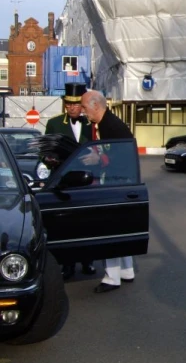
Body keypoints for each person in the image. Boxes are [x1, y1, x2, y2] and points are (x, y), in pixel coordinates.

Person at [80, 89, 137, 294]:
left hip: (116, 185)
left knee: (109, 230)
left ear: (96, 105)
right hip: (122, 185)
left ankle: (112, 277)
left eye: (85, 107)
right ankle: (126, 270)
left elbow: (121, 157)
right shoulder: (107, 123)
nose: (84, 111)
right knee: (120, 228)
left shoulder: (110, 126)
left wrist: (99, 160)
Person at [45, 82, 97, 281]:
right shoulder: (54, 123)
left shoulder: (91, 123)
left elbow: (102, 149)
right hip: (63, 182)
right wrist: (48, 159)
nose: (72, 108)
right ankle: (67, 264)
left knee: (87, 223)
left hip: (86, 181)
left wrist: (96, 157)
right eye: (68, 104)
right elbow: (45, 151)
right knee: (65, 224)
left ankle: (88, 261)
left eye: (75, 104)